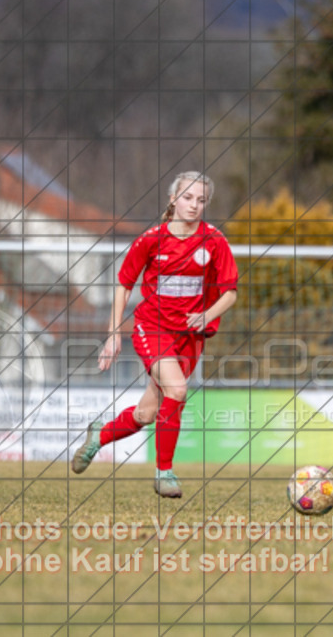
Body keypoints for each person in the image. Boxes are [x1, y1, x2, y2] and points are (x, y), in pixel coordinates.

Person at [71, 171, 238, 498]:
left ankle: (98, 436)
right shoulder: (151, 239)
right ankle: (164, 473)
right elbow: (123, 285)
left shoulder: (214, 241)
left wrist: (206, 315)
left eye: (201, 200)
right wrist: (113, 333)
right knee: (177, 389)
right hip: (153, 327)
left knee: (147, 413)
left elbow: (230, 292)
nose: (194, 205)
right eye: (188, 197)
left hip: (189, 336)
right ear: (173, 199)